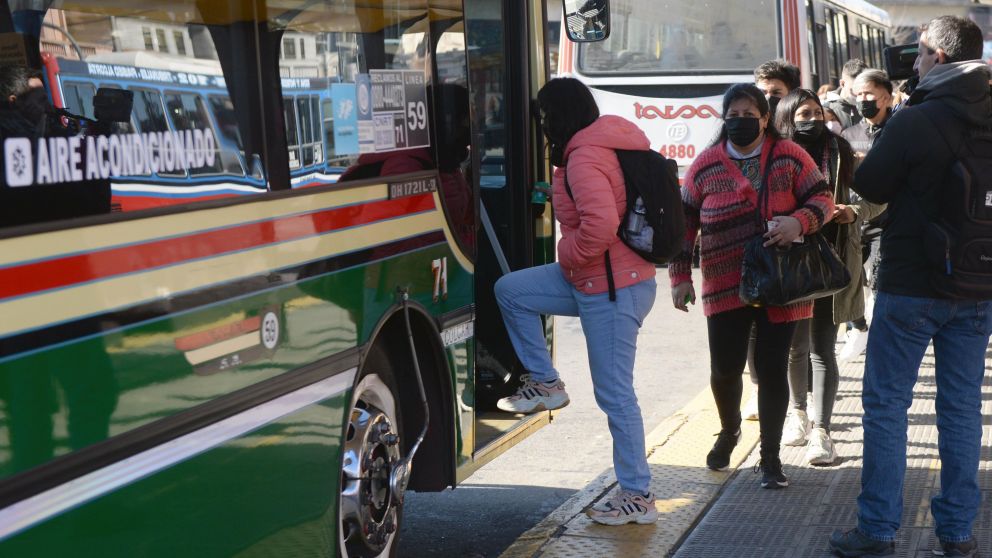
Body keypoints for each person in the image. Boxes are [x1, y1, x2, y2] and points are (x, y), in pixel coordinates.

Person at [829, 16, 992, 558]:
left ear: (939, 58)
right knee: (962, 409)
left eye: (919, 54)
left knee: (885, 407)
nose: (914, 64)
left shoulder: (917, 118)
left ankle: (877, 531)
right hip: (978, 283)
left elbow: (871, 184)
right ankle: (959, 533)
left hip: (911, 284)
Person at [494, 77, 658, 526]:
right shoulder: (598, 146)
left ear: (557, 115)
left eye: (544, 115)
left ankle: (637, 495)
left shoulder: (584, 157)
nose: (542, 124)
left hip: (612, 286)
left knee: (615, 395)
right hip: (600, 280)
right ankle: (547, 383)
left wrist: (566, 254)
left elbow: (602, 224)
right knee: (512, 292)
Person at [669, 83, 834, 489]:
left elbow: (823, 200)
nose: (740, 121)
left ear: (765, 118)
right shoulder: (706, 165)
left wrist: (800, 221)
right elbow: (684, 222)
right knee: (725, 369)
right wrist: (678, 277)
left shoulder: (789, 156)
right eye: (733, 114)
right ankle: (729, 431)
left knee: (773, 368)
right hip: (723, 284)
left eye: (749, 114)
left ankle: (771, 456)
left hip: (782, 282)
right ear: (724, 118)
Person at [773, 89, 885, 465]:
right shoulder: (774, 153)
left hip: (832, 262)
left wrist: (853, 211)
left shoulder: (842, 151)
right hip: (788, 266)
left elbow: (878, 196)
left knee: (822, 349)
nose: (813, 120)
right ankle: (798, 414)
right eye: (803, 114)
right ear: (788, 118)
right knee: (795, 348)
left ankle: (822, 431)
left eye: (817, 113)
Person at [838, 69, 895, 363]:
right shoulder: (849, 134)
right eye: (858, 94)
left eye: (869, 94)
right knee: (849, 280)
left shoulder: (899, 130)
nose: (863, 100)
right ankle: (858, 328)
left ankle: (876, 337)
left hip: (889, 222)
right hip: (855, 220)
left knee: (878, 281)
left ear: (886, 96)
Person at [824, 58, 868, 130]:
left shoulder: (870, 108)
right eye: (854, 90)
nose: (859, 95)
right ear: (842, 84)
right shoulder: (826, 110)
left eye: (864, 89)